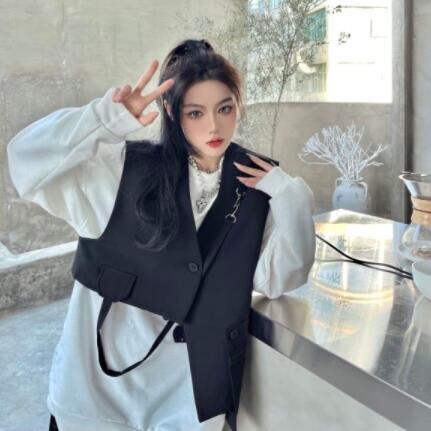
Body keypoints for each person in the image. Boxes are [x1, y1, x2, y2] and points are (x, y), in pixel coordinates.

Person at [7, 38, 316, 431]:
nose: (214, 126)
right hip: (95, 399)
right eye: (195, 112)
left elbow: (276, 278)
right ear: (171, 112)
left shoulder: (255, 185)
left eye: (224, 108)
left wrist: (290, 194)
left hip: (185, 407)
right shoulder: (122, 170)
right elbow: (26, 162)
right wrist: (103, 120)